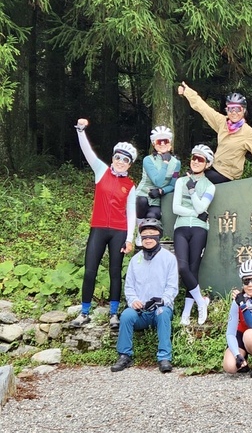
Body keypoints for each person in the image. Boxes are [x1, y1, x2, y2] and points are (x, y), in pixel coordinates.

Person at [70, 118, 138, 330]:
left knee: (115, 272)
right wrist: (81, 131)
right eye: (118, 157)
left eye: (125, 160)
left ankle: (113, 313)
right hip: (98, 228)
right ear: (113, 157)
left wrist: (129, 239)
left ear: (130, 164)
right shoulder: (101, 170)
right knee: (90, 270)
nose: (120, 162)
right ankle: (84, 312)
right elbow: (87, 152)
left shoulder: (129, 185)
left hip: (119, 230)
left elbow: (132, 213)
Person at [177, 81, 252, 184]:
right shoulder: (222, 122)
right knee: (186, 177)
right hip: (214, 168)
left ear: (243, 111)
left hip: (227, 175)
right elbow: (203, 108)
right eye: (231, 109)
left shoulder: (247, 132)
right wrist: (187, 92)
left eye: (238, 109)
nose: (234, 113)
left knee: (194, 181)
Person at [111, 218, 179, 374]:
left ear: (158, 236)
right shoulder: (135, 260)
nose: (148, 239)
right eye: (145, 235)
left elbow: (172, 287)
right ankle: (124, 355)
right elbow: (129, 286)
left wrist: (163, 301)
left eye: (152, 234)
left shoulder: (168, 258)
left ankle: (164, 357)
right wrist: (133, 301)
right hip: (140, 311)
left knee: (162, 313)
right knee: (127, 315)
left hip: (160, 309)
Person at [172, 144, 216, 326]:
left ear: (207, 164)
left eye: (201, 159)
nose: (196, 162)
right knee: (182, 268)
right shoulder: (180, 181)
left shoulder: (210, 186)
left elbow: (200, 207)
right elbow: (175, 208)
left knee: (193, 269)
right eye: (194, 158)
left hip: (199, 229)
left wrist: (191, 190)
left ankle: (186, 313)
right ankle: (201, 302)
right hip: (180, 228)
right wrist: (194, 213)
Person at [134, 126, 181, 227]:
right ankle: (139, 231)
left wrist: (161, 191)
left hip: (157, 199)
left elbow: (173, 185)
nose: (163, 144)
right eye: (159, 141)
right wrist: (165, 163)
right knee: (142, 201)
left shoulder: (176, 163)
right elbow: (157, 182)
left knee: (152, 216)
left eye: (166, 141)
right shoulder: (148, 160)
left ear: (170, 143)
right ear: (154, 144)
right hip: (143, 196)